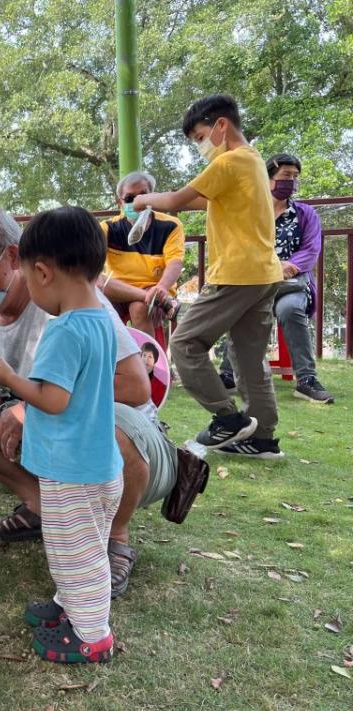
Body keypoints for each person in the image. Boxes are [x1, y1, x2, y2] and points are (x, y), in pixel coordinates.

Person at [0, 198, 207, 602]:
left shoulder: (77, 304)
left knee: (109, 428)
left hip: (135, 444)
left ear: (14, 256)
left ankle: (115, 538)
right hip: (64, 443)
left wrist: (28, 406)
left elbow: (136, 386)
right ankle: (42, 508)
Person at [0, 207, 121, 663]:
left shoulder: (63, 330)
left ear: (42, 272)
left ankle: (92, 635)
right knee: (83, 549)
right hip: (98, 466)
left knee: (76, 556)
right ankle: (71, 609)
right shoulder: (101, 319)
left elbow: (53, 399)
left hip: (72, 473)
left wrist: (9, 379)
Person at [132, 94, 284, 460]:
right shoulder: (252, 162)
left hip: (236, 272)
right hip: (264, 274)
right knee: (247, 356)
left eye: (200, 136)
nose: (200, 146)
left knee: (185, 343)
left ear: (221, 126)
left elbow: (180, 199)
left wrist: (140, 200)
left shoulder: (230, 161)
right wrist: (156, 203)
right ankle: (262, 438)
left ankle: (226, 419)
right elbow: (203, 201)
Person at [217, 154, 333, 404]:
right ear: (267, 179)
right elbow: (239, 246)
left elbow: (312, 249)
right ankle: (228, 373)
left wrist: (287, 266)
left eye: (294, 177)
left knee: (290, 309)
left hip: (291, 284)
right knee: (240, 306)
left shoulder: (305, 213)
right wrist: (268, 266)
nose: (290, 182)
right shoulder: (250, 212)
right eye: (285, 176)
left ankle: (306, 380)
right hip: (256, 283)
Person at [100, 171, 185, 337]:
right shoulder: (108, 228)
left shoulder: (170, 226)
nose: (137, 203)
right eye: (130, 199)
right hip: (117, 290)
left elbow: (175, 262)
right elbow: (93, 265)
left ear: (152, 197)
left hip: (155, 290)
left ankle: (148, 362)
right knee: (98, 290)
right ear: (120, 203)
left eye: (143, 196)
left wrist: (161, 287)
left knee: (139, 308)